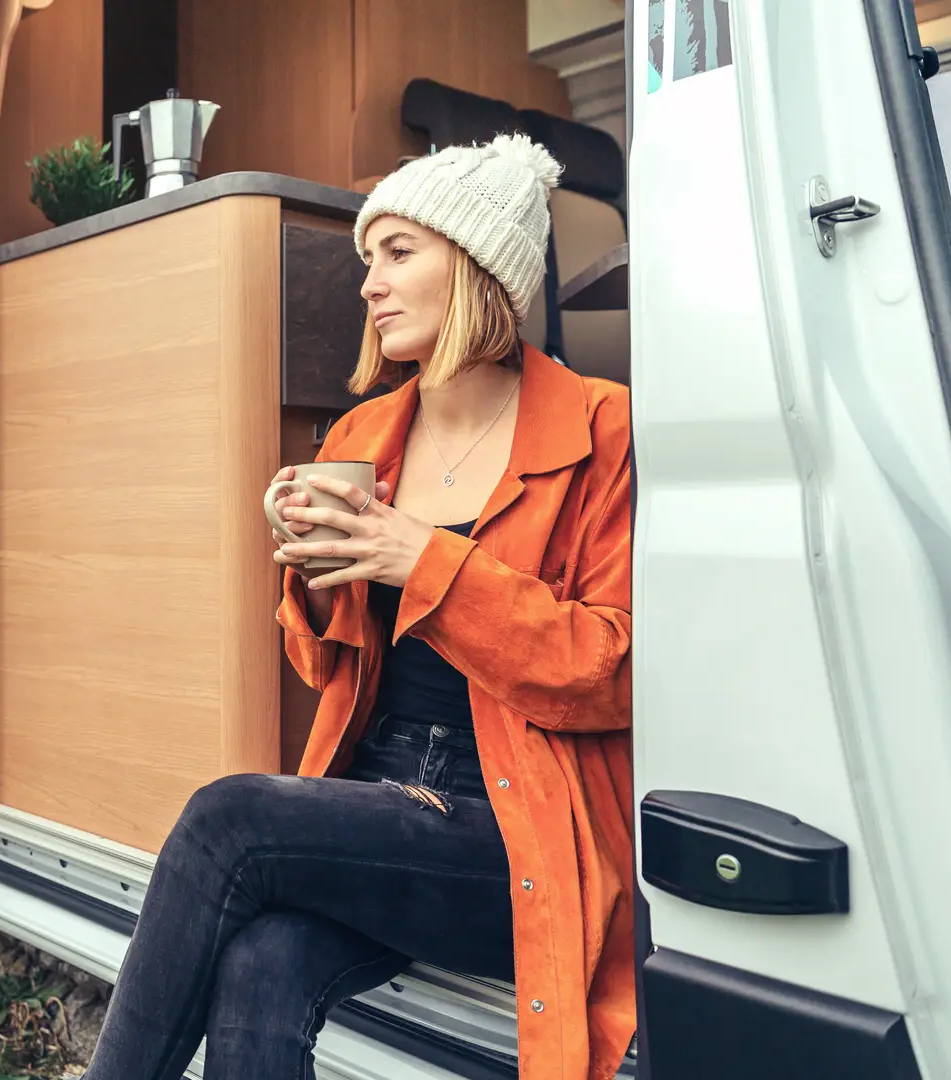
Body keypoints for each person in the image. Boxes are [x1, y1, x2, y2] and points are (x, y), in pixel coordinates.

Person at [79, 134, 636, 1080]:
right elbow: (324, 664)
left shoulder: (598, 425)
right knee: (261, 961)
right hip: (379, 799)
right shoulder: (363, 434)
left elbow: (610, 671)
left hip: (518, 824)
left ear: (476, 266)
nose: (370, 284)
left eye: (399, 254)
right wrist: (307, 565)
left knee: (228, 819)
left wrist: (420, 556)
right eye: (365, 260)